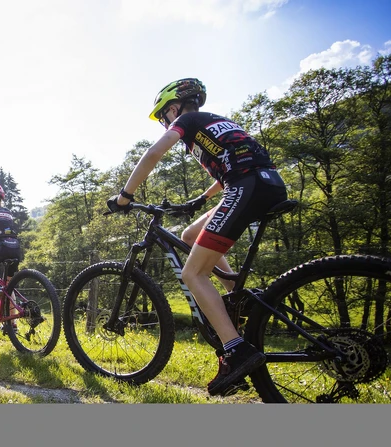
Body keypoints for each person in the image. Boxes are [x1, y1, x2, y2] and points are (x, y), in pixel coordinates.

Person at [107, 78, 287, 396]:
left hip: (245, 186)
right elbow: (240, 159)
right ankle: (237, 296)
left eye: (164, 116)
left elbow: (153, 153)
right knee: (190, 235)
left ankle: (236, 350)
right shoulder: (217, 122)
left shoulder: (188, 121)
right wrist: (201, 199)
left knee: (193, 274)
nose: (165, 123)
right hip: (265, 182)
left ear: (175, 107)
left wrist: (125, 196)